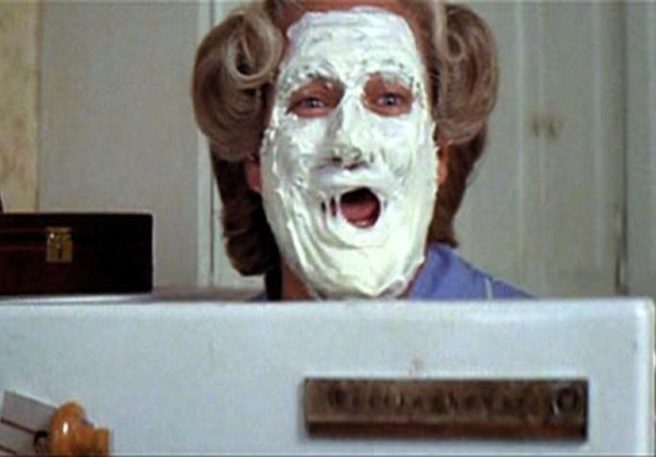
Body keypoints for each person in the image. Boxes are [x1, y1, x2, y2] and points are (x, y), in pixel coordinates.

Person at [192, 0, 529, 300]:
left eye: (389, 99)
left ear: (439, 154)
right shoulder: (214, 350)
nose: (350, 142)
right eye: (312, 102)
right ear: (255, 159)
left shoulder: (534, 343)